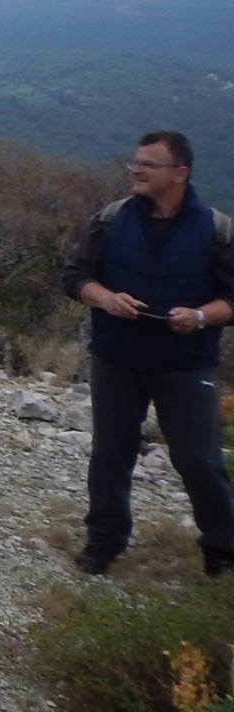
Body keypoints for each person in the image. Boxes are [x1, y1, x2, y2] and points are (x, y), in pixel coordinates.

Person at [62, 130, 234, 578]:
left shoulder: (217, 230)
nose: (135, 170)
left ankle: (222, 548)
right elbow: (75, 276)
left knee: (198, 459)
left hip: (185, 362)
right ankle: (103, 542)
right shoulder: (111, 219)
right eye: (134, 163)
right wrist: (106, 299)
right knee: (110, 454)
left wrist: (199, 317)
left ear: (180, 173)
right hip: (116, 357)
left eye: (147, 165)